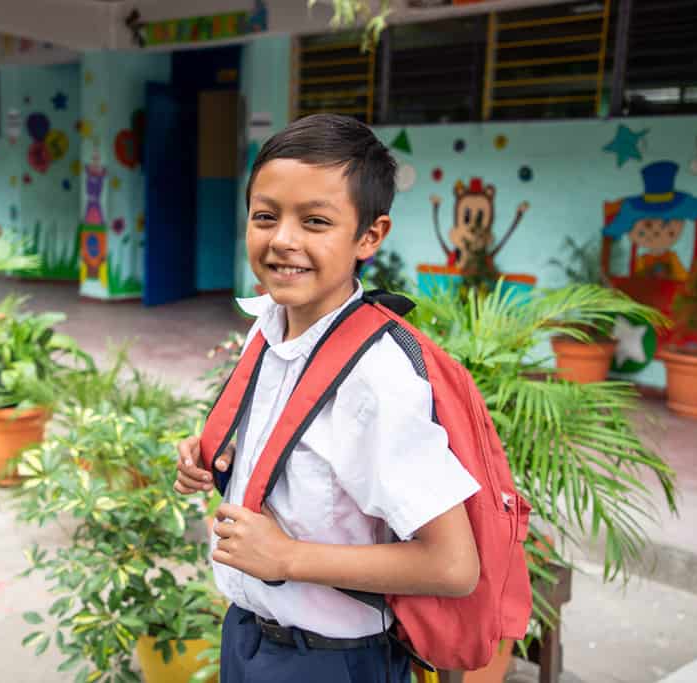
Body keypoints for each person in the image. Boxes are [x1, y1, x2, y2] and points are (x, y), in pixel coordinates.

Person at [175, 114, 481, 683]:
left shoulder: (376, 378)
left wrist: (287, 557)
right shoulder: (269, 326)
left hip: (329, 662)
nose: (283, 239)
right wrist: (221, 458)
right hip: (248, 637)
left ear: (369, 236)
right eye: (265, 216)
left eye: (315, 221)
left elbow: (454, 565)